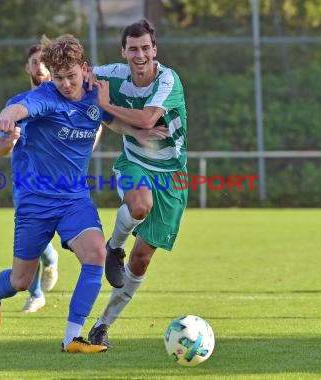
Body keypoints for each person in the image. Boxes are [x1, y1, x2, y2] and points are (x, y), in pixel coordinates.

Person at [0, 34, 110, 353]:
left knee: (96, 254)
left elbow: (111, 112)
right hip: (34, 200)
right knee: (21, 281)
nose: (66, 84)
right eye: (59, 78)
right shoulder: (45, 97)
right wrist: (7, 118)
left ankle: (72, 338)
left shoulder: (97, 92)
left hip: (74, 199)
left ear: (84, 69)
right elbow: (21, 109)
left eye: (71, 76)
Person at [87, 19, 188, 347]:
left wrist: (104, 106)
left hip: (172, 178)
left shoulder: (167, 79)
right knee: (139, 205)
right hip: (133, 164)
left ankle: (103, 324)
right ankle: (113, 246)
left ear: (154, 50)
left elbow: (147, 117)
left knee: (142, 259)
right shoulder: (113, 73)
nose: (140, 54)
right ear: (124, 52)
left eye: (145, 48)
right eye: (133, 49)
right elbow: (81, 76)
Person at [0, 45, 59, 313]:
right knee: (29, 240)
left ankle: (52, 259)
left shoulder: (63, 101)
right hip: (25, 185)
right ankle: (36, 294)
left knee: (42, 239)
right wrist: (8, 141)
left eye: (44, 62)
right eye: (35, 62)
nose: (40, 66)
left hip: (58, 183)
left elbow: (97, 123)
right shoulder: (16, 104)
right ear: (28, 68)